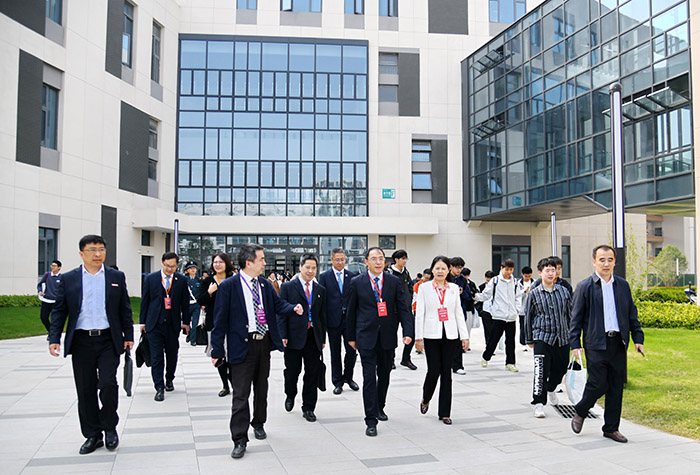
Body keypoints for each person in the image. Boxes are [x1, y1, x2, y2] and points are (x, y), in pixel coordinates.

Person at [210, 244, 304, 459]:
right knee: (240, 394)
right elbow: (219, 321)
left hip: (263, 344)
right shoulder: (230, 286)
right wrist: (217, 350)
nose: (264, 263)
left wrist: (293, 308)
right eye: (261, 259)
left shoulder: (264, 284)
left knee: (262, 388)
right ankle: (239, 439)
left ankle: (259, 423)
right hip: (241, 346)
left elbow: (278, 305)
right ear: (248, 262)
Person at [49, 235, 133, 454]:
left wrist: (128, 335)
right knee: (85, 389)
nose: (98, 254)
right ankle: (93, 435)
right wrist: (54, 338)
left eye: (101, 249)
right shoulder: (69, 279)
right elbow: (59, 311)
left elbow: (124, 308)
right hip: (81, 341)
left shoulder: (116, 276)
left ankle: (110, 427)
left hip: (108, 339)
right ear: (81, 253)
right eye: (92, 250)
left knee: (108, 383)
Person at [570, 245, 645, 443]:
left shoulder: (622, 285)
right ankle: (581, 410)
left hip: (618, 342)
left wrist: (638, 338)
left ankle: (611, 428)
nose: (606, 263)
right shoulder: (585, 286)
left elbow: (631, 314)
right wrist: (575, 343)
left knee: (615, 387)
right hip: (595, 343)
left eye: (610, 259)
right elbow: (575, 318)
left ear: (614, 262)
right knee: (598, 383)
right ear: (594, 262)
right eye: (602, 259)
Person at [346, 247, 413, 437]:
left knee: (384, 374)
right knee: (369, 377)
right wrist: (351, 337)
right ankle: (370, 420)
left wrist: (408, 331)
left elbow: (403, 307)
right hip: (365, 337)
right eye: (374, 258)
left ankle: (379, 406)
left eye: (381, 258)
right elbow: (351, 311)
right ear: (366, 261)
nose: (378, 262)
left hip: (387, 336)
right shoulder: (357, 282)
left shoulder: (393, 281)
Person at [415, 256, 470, 425]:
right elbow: (420, 313)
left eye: (443, 268)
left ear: (448, 270)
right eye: (437, 268)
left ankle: (445, 413)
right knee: (433, 371)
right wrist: (418, 337)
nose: (440, 271)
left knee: (447, 373)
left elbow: (458, 313)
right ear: (432, 270)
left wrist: (464, 336)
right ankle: (426, 398)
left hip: (450, 335)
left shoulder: (453, 288)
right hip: (431, 335)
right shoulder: (424, 288)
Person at [278, 254, 327, 422]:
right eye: (307, 267)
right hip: (293, 336)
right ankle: (290, 394)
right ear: (300, 267)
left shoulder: (320, 290)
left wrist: (322, 338)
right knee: (292, 371)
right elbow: (281, 313)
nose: (310, 271)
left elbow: (322, 316)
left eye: (314, 268)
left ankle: (309, 407)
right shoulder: (288, 287)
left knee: (312, 372)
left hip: (313, 336)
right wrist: (283, 334)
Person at [524, 257, 572, 418]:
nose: (551, 273)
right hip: (542, 337)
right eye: (548, 270)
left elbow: (570, 315)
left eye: (554, 270)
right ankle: (538, 403)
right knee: (541, 372)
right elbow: (528, 317)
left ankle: (551, 388)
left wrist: (574, 336)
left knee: (561, 368)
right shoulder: (534, 293)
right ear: (540, 272)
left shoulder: (563, 291)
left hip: (562, 338)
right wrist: (529, 339)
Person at [140, 252, 191, 402]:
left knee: (172, 354)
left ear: (177, 266)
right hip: (154, 324)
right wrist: (142, 322)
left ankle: (169, 378)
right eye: (167, 266)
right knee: (156, 356)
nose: (169, 269)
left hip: (172, 324)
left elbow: (185, 303)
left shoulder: (181, 280)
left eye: (173, 266)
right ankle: (159, 387)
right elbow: (145, 301)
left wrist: (186, 322)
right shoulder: (151, 279)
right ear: (162, 263)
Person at [318, 248, 359, 395]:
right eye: (337, 260)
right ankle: (337, 381)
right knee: (335, 352)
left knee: (352, 350)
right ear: (331, 260)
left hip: (349, 320)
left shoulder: (352, 276)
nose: (340, 262)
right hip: (333, 320)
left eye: (342, 259)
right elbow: (322, 301)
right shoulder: (324, 277)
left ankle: (348, 377)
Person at [197, 253, 235, 397]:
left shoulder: (234, 280)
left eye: (220, 262)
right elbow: (201, 300)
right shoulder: (208, 281)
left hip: (232, 323)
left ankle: (235, 382)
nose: (217, 265)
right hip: (214, 323)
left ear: (227, 263)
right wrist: (209, 292)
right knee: (219, 355)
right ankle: (225, 385)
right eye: (215, 262)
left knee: (232, 354)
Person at [476, 260, 523, 371]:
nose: (509, 272)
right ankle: (486, 357)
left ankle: (510, 363)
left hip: (511, 317)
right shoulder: (495, 281)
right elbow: (486, 295)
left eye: (511, 269)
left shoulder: (515, 282)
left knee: (510, 341)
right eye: (507, 269)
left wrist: (516, 310)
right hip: (498, 315)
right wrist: (475, 296)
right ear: (501, 268)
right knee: (494, 339)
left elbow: (518, 297)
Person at [389, 249, 416, 370]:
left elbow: (410, 287)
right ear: (396, 259)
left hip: (406, 308)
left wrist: (409, 297)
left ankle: (406, 358)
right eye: (402, 258)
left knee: (411, 333)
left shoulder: (406, 272)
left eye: (406, 258)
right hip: (393, 310)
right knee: (391, 335)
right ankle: (391, 359)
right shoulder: (389, 272)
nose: (405, 261)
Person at [448, 257, 472, 375]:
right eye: (457, 267)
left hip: (459, 312)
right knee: (447, 341)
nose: (459, 270)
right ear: (451, 267)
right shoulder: (446, 278)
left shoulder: (462, 279)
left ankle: (457, 366)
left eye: (460, 268)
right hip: (446, 313)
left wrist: (461, 293)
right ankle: (446, 364)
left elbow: (469, 296)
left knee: (458, 341)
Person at [38, 259, 62, 338]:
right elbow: (40, 284)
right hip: (46, 300)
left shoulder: (62, 277)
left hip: (55, 302)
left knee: (55, 320)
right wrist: (40, 291)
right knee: (43, 317)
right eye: (52, 266)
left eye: (54, 266)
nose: (52, 267)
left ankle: (52, 334)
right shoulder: (47, 275)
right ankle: (51, 332)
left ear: (59, 267)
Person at [184, 261, 202, 346]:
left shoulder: (199, 280)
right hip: (186, 304)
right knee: (186, 322)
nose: (192, 270)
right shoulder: (184, 280)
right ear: (187, 270)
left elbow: (202, 292)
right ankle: (190, 334)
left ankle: (193, 340)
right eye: (190, 268)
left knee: (195, 322)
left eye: (194, 268)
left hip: (196, 304)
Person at [476, 270, 495, 346]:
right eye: (487, 278)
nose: (488, 280)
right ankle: (488, 344)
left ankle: (493, 343)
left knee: (494, 329)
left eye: (490, 279)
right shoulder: (482, 287)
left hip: (494, 310)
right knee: (487, 329)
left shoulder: (497, 286)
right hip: (485, 310)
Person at [518, 266, 534, 351]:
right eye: (526, 276)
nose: (527, 278)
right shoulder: (519, 283)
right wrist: (524, 291)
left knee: (533, 326)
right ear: (522, 274)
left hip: (533, 308)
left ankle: (532, 342)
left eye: (529, 276)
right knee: (523, 327)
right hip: (523, 309)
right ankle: (523, 343)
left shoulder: (534, 283)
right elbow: (517, 295)